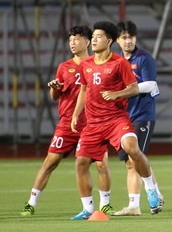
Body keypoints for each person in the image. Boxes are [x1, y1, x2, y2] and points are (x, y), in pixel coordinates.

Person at [70, 21, 160, 220]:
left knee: (132, 148)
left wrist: (117, 94)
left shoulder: (120, 63)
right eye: (93, 37)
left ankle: (151, 188)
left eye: (98, 37)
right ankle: (87, 208)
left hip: (116, 119)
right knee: (81, 163)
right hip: (93, 123)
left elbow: (134, 88)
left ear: (109, 41)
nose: (93, 40)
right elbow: (84, 90)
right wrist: (76, 114)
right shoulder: (86, 64)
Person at [20, 26, 112, 216]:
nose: (72, 43)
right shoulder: (64, 67)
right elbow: (55, 95)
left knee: (101, 164)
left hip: (92, 123)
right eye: (70, 40)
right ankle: (31, 203)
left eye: (76, 39)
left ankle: (104, 205)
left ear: (86, 42)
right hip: (66, 123)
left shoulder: (96, 65)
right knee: (50, 162)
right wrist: (54, 87)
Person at [110, 20, 164, 216]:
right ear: (117, 40)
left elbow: (151, 85)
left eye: (131, 37)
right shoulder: (115, 61)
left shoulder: (144, 59)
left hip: (143, 115)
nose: (128, 41)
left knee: (135, 158)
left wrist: (121, 91)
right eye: (124, 37)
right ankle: (155, 193)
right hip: (123, 118)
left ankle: (136, 204)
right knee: (130, 161)